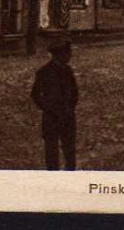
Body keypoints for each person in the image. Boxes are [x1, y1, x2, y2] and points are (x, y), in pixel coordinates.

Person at [31, 37, 78, 171]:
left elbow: (75, 92)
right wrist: (49, 109)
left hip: (68, 117)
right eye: (67, 53)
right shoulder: (44, 72)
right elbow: (35, 95)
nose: (70, 56)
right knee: (51, 153)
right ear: (59, 54)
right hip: (51, 119)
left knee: (70, 152)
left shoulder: (68, 71)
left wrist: (69, 108)